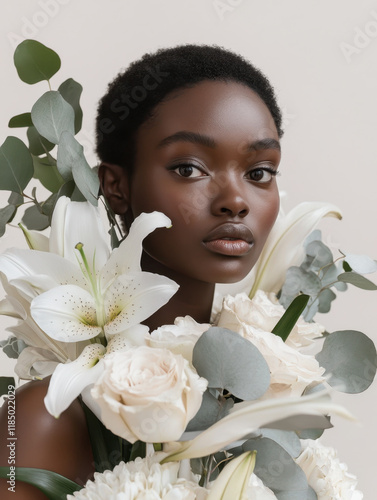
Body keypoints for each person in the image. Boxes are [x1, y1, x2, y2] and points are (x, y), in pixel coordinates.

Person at [0, 44, 283, 499]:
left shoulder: (271, 389)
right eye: (189, 168)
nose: (236, 199)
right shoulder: (44, 415)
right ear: (116, 187)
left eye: (260, 171)